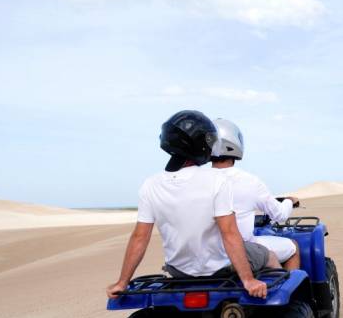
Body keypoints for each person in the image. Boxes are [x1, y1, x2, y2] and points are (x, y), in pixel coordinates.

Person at [106, 110, 272, 300]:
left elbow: (140, 237)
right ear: (199, 145)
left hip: (179, 271)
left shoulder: (150, 184)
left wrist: (122, 282)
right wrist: (248, 280)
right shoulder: (216, 179)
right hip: (219, 268)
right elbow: (230, 233)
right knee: (269, 256)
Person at [209, 118, 301, 271]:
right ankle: (294, 291)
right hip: (243, 250)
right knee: (294, 247)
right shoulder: (250, 181)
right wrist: (289, 202)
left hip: (207, 255)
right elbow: (279, 215)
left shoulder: (197, 180)